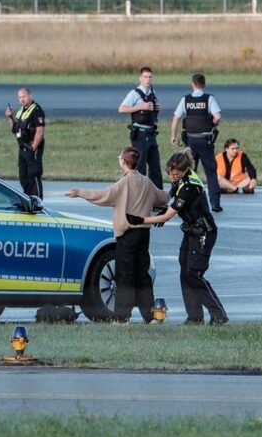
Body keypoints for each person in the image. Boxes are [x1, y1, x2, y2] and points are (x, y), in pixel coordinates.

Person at [65, 147, 168, 322]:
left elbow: (103, 195)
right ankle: (149, 314)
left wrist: (81, 192)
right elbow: (163, 198)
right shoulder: (146, 182)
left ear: (124, 163)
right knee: (143, 274)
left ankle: (121, 315)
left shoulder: (123, 184)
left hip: (127, 235)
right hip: (144, 234)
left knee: (125, 275)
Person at [143, 150, 228, 325]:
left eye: (176, 173)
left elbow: (168, 216)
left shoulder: (189, 186)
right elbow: (169, 201)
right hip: (190, 232)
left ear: (185, 170)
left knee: (194, 274)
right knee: (184, 273)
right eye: (170, 173)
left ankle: (218, 314)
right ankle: (195, 317)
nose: (173, 176)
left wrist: (141, 220)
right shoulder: (180, 180)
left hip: (204, 233)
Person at [170, 73, 223, 213]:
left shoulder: (185, 100)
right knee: (211, 172)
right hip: (205, 141)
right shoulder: (209, 99)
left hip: (191, 141)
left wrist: (173, 136)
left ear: (192, 84)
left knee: (188, 171)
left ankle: (183, 199)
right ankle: (215, 204)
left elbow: (176, 119)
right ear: (203, 85)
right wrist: (213, 123)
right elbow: (217, 116)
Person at [118, 67, 163, 189]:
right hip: (140, 135)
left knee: (155, 167)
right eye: (145, 77)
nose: (148, 80)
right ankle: (139, 194)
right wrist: (139, 106)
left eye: (150, 77)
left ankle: (158, 199)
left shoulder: (152, 93)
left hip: (151, 133)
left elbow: (151, 111)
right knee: (140, 166)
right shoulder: (134, 93)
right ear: (140, 78)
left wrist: (157, 108)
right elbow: (122, 109)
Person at [5, 87, 46, 199]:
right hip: (22, 148)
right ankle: (28, 199)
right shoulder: (21, 111)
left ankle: (37, 202)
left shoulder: (37, 111)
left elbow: (40, 131)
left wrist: (33, 148)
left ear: (30, 96)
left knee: (34, 175)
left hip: (32, 148)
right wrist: (10, 117)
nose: (22, 99)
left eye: (24, 97)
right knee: (23, 177)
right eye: (20, 97)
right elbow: (14, 129)